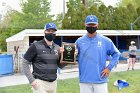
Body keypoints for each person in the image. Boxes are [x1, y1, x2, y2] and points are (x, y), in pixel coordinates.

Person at [75, 15, 121, 93]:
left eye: (93, 24)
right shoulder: (79, 41)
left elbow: (116, 54)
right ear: (85, 25)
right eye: (89, 25)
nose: (91, 26)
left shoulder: (105, 41)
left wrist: (109, 68)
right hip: (84, 81)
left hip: (100, 80)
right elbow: (74, 57)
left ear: (97, 25)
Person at [22, 22, 64, 93]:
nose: (51, 33)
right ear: (44, 32)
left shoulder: (57, 47)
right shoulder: (35, 46)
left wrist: (68, 58)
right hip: (40, 83)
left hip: (53, 83)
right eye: (49, 31)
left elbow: (60, 65)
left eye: (53, 31)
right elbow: (25, 62)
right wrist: (31, 80)